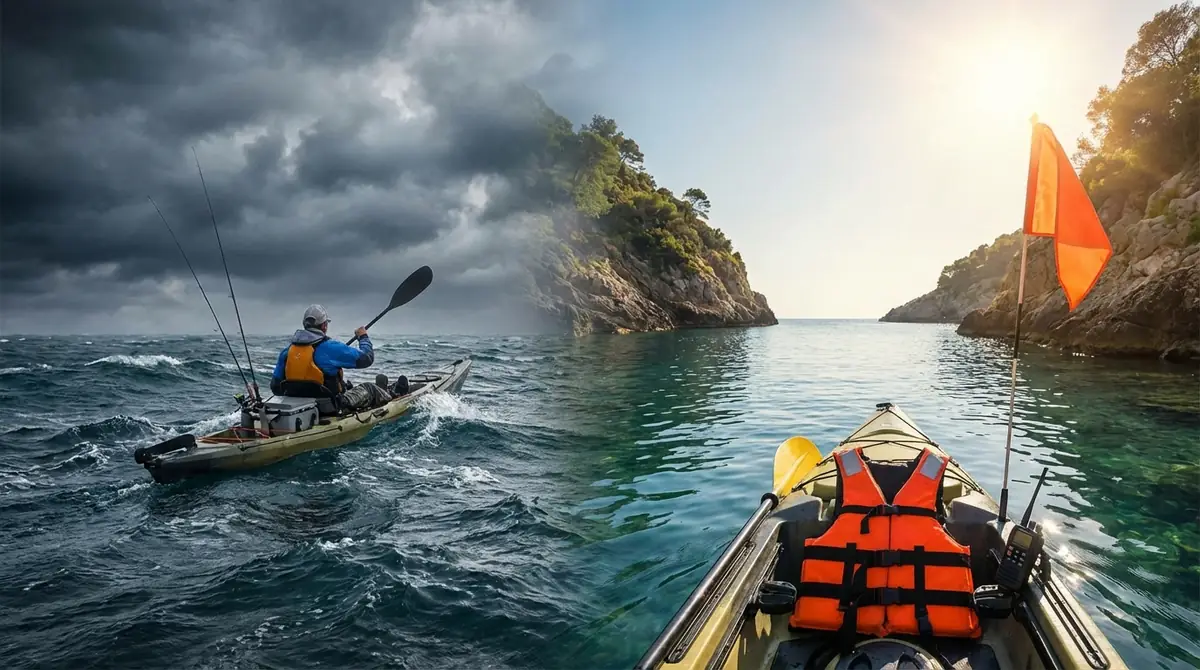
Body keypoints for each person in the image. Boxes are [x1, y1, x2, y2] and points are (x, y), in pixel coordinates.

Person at [270, 304, 393, 412]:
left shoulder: (287, 351)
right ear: (324, 326)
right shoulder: (331, 347)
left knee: (346, 385)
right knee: (369, 388)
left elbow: (275, 387)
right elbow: (367, 358)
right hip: (331, 407)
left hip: (298, 408)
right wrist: (363, 337)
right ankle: (391, 396)